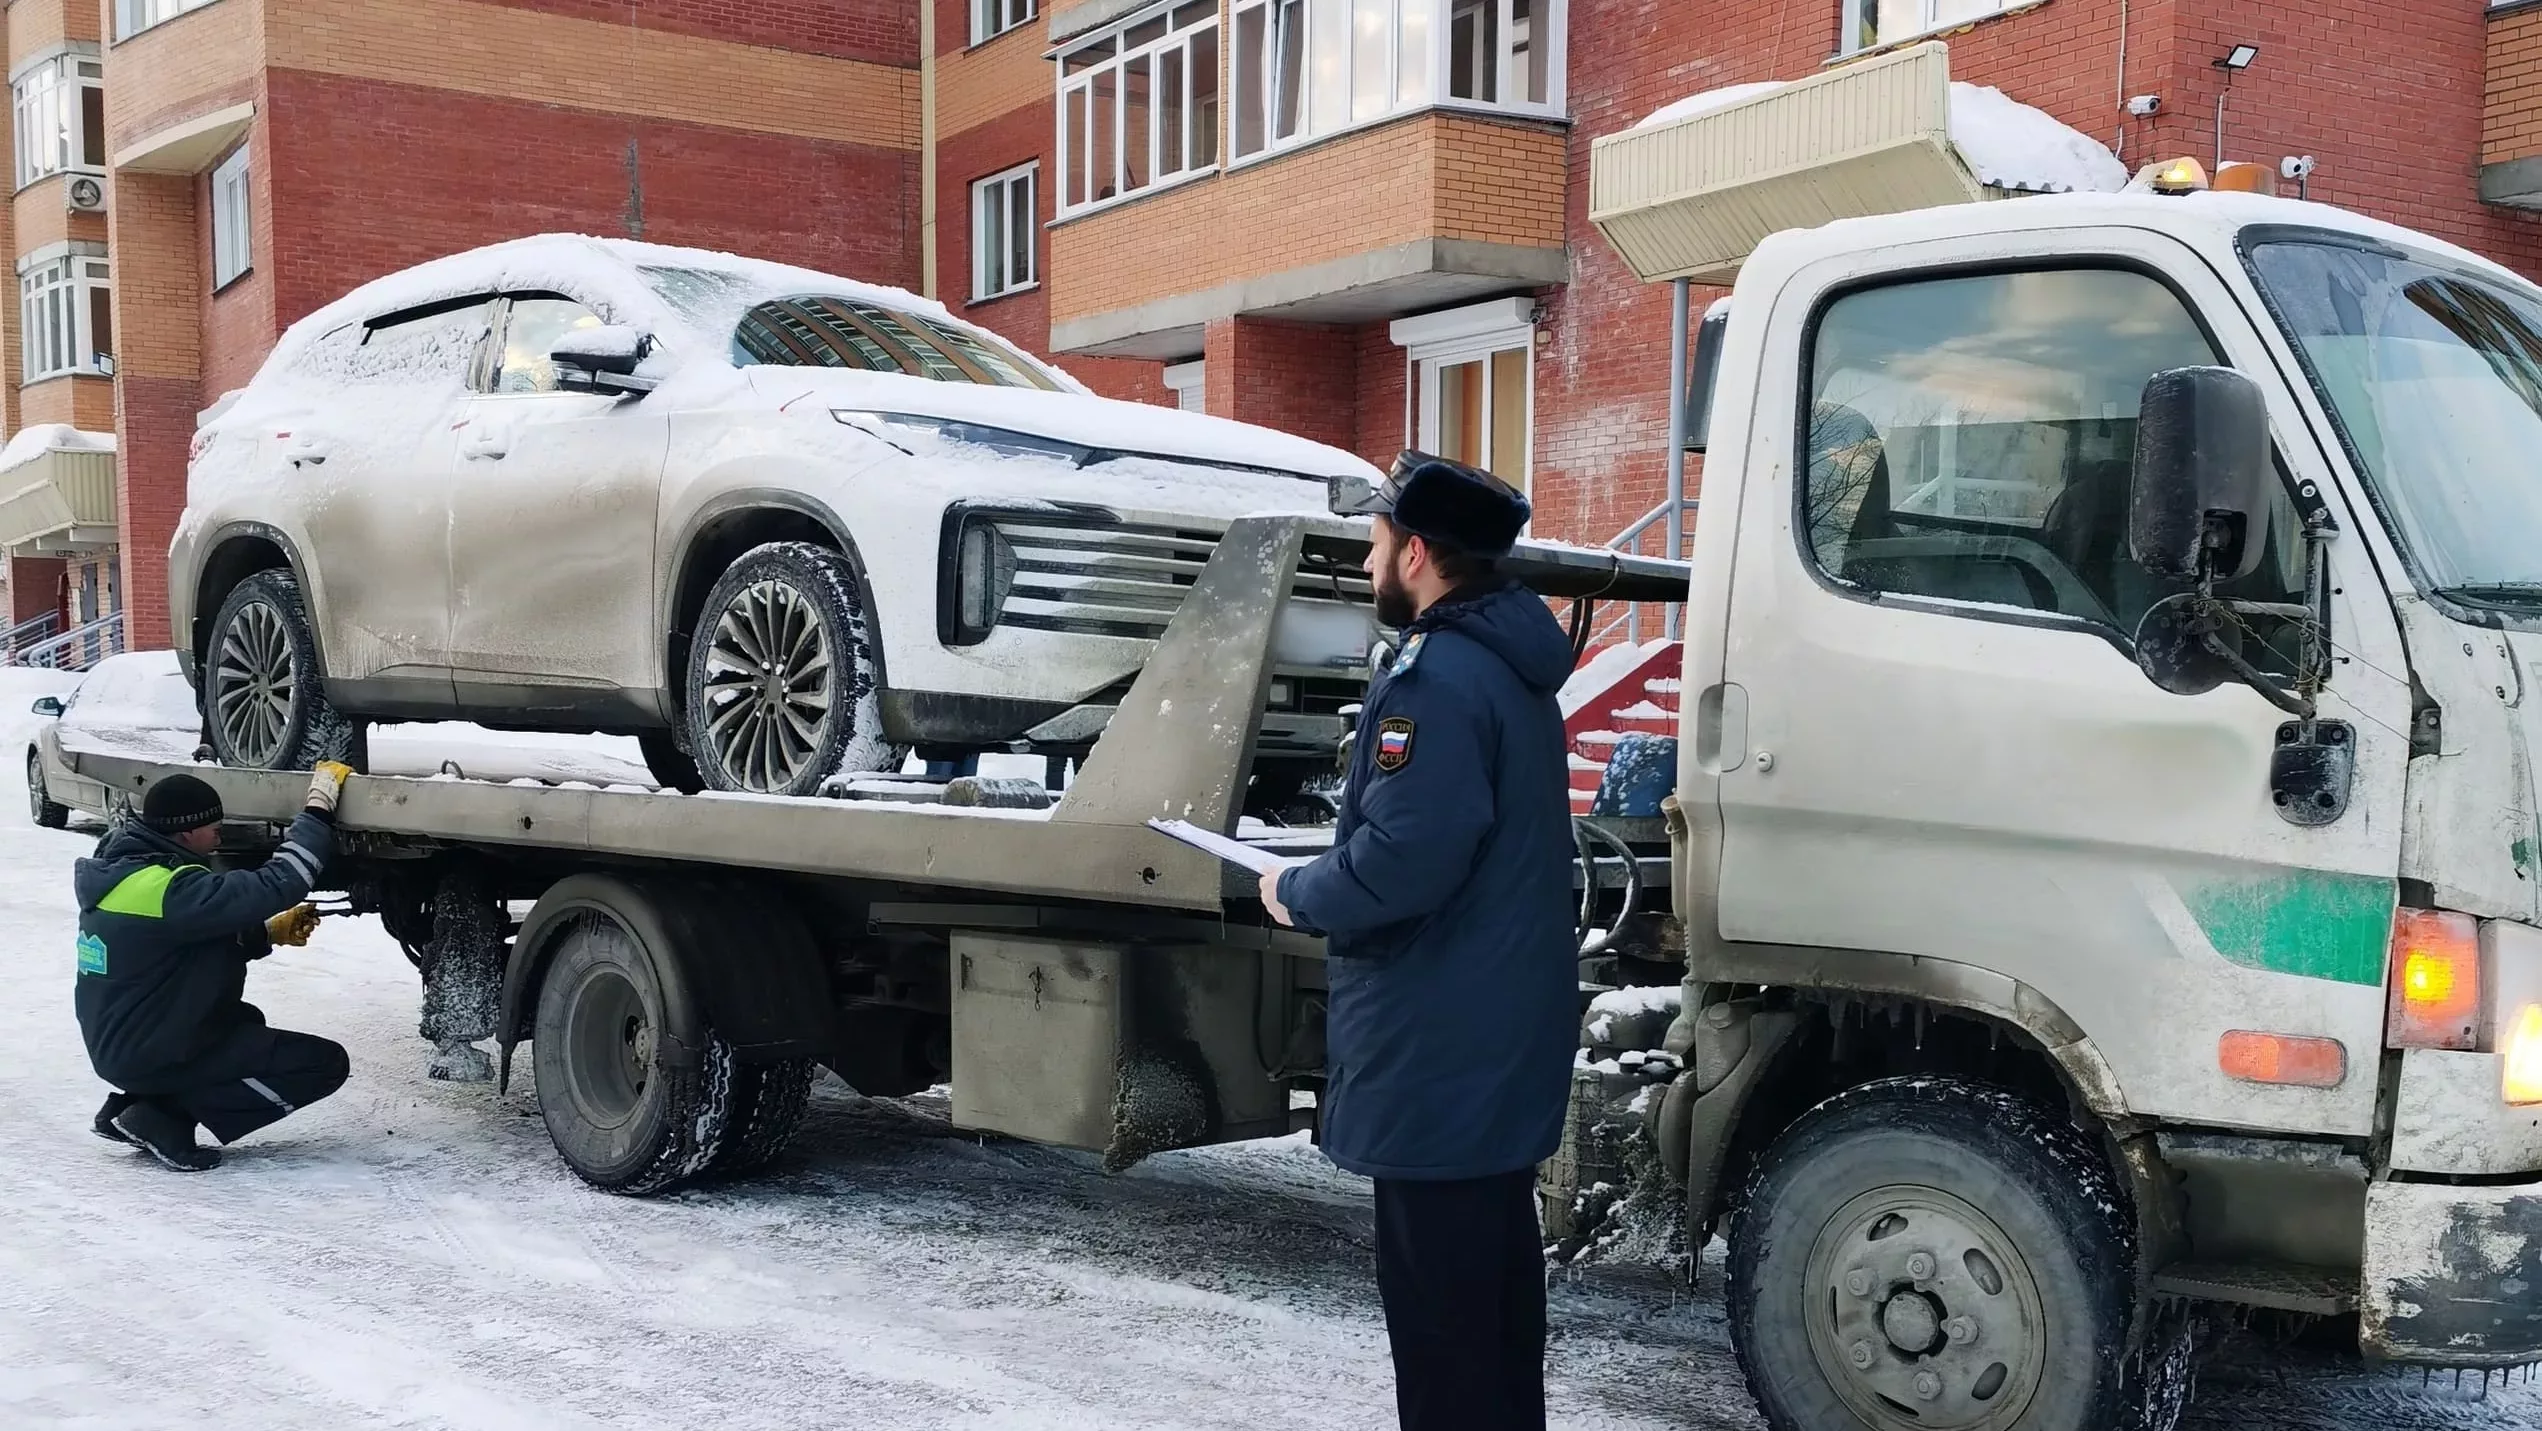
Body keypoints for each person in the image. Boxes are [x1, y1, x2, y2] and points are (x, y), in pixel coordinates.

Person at [1259, 451, 1578, 1431]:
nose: (1365, 568)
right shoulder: (1513, 670)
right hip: (1494, 1033)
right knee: (1490, 1306)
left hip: (1440, 1047)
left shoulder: (1435, 679)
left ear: (1419, 555)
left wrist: (1294, 890)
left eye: (1375, 546)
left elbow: (1407, 857)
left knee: (1441, 1324)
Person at [76, 763, 355, 1172]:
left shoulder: (128, 877)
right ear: (187, 833)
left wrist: (267, 934)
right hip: (149, 1051)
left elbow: (177, 948)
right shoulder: (172, 890)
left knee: (243, 1022)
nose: (220, 833)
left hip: (127, 1044)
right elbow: (283, 881)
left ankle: (138, 1103)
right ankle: (165, 1116)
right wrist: (319, 807)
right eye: (213, 826)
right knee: (323, 1064)